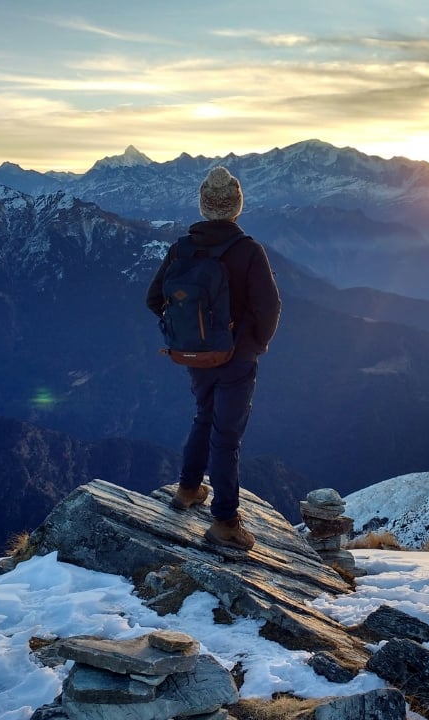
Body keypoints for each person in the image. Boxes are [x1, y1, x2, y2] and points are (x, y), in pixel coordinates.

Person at [145, 166, 281, 551]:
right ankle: (224, 522)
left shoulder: (182, 248)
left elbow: (154, 300)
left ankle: (188, 489)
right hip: (236, 358)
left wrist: (187, 332)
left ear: (203, 206)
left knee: (203, 415)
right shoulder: (249, 251)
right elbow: (269, 309)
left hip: (194, 354)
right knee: (227, 437)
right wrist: (254, 344)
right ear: (237, 206)